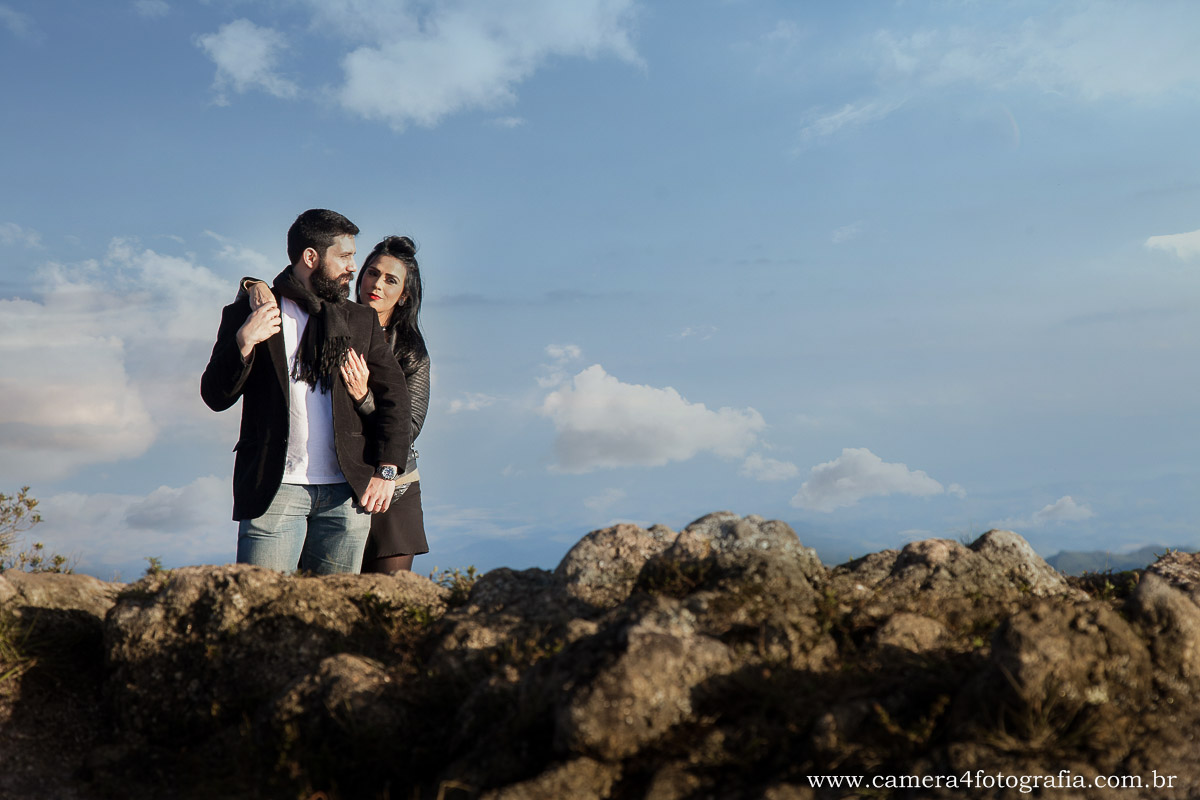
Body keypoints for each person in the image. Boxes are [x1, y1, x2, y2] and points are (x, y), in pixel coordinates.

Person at [201, 209, 411, 574]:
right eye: (344, 256)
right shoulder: (253, 312)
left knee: (337, 608)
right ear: (311, 257)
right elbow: (215, 396)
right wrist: (244, 342)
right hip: (274, 489)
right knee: (263, 602)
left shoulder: (360, 320)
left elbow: (396, 398)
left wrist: (387, 471)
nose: (353, 267)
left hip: (346, 495)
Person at [243, 236, 431, 574]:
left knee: (385, 597)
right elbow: (298, 290)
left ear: (404, 295)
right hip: (338, 485)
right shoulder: (333, 319)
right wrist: (252, 285)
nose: (377, 284)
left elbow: (410, 426)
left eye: (391, 280)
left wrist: (363, 398)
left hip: (391, 486)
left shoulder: (412, 352)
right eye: (372, 273)